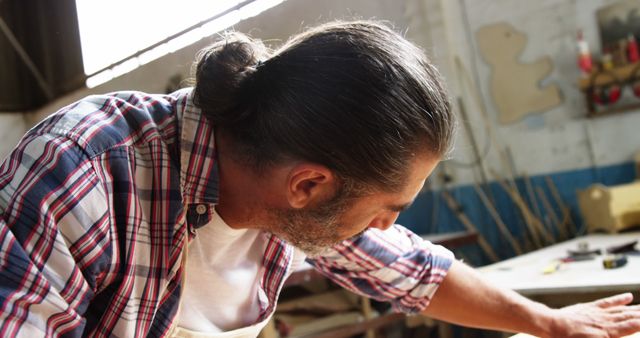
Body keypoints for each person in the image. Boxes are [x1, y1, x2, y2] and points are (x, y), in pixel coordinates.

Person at [0, 20, 638, 338]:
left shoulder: (283, 178)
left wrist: (549, 323)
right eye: (388, 207)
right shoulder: (85, 169)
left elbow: (413, 271)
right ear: (308, 185)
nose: (390, 225)